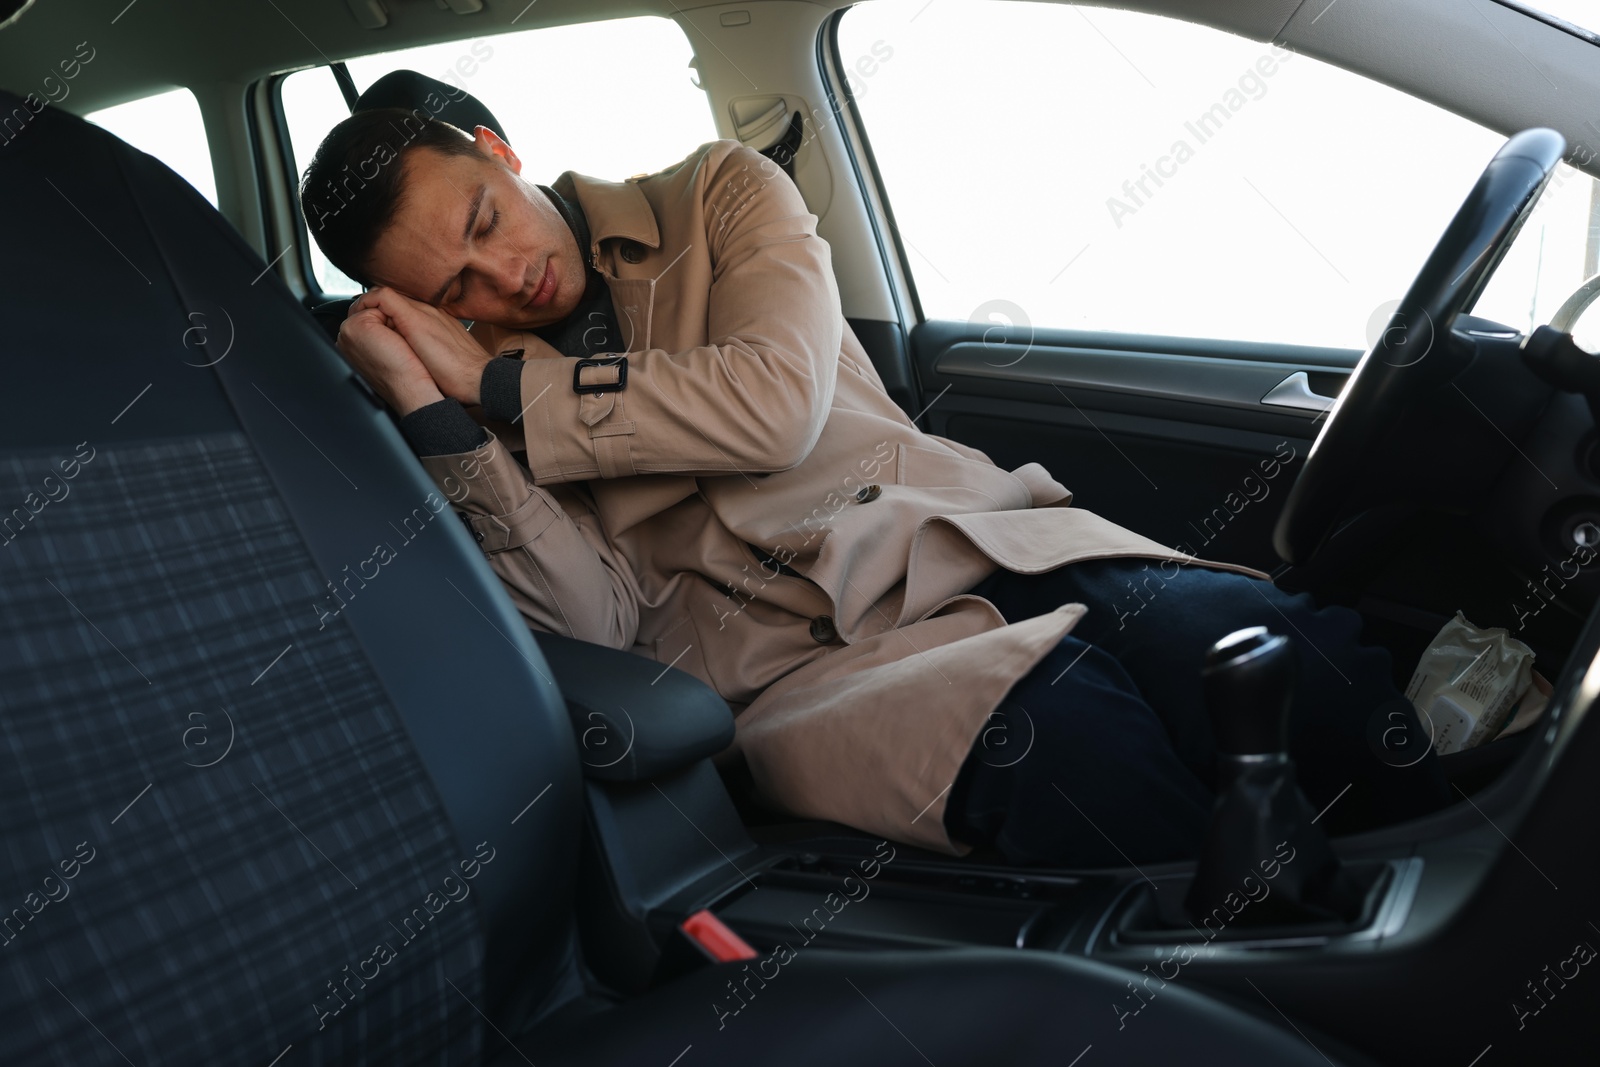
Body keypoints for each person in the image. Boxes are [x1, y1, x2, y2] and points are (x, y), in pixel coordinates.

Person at [302, 105, 1450, 868]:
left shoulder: (714, 193)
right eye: (460, 287)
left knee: (1260, 645)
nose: (506, 275)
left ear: (498, 151)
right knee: (1064, 739)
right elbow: (597, 620)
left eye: (486, 221)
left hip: (970, 535)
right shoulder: (463, 402)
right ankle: (1256, 997)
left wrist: (508, 382)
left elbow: (772, 401)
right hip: (791, 672)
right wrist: (437, 416)